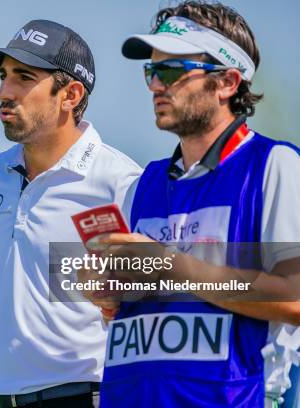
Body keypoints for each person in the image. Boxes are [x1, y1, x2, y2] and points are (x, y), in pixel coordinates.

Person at [90, 2, 300, 407]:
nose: (155, 85)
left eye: (170, 71)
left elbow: (294, 299)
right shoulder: (141, 184)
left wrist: (170, 264)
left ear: (227, 82)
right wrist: (103, 291)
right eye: (151, 71)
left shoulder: (276, 166)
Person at [0, 19, 141, 408]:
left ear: (71, 94)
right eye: (3, 76)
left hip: (82, 396)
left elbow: (157, 295)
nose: (3, 92)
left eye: (23, 78)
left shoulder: (122, 182)